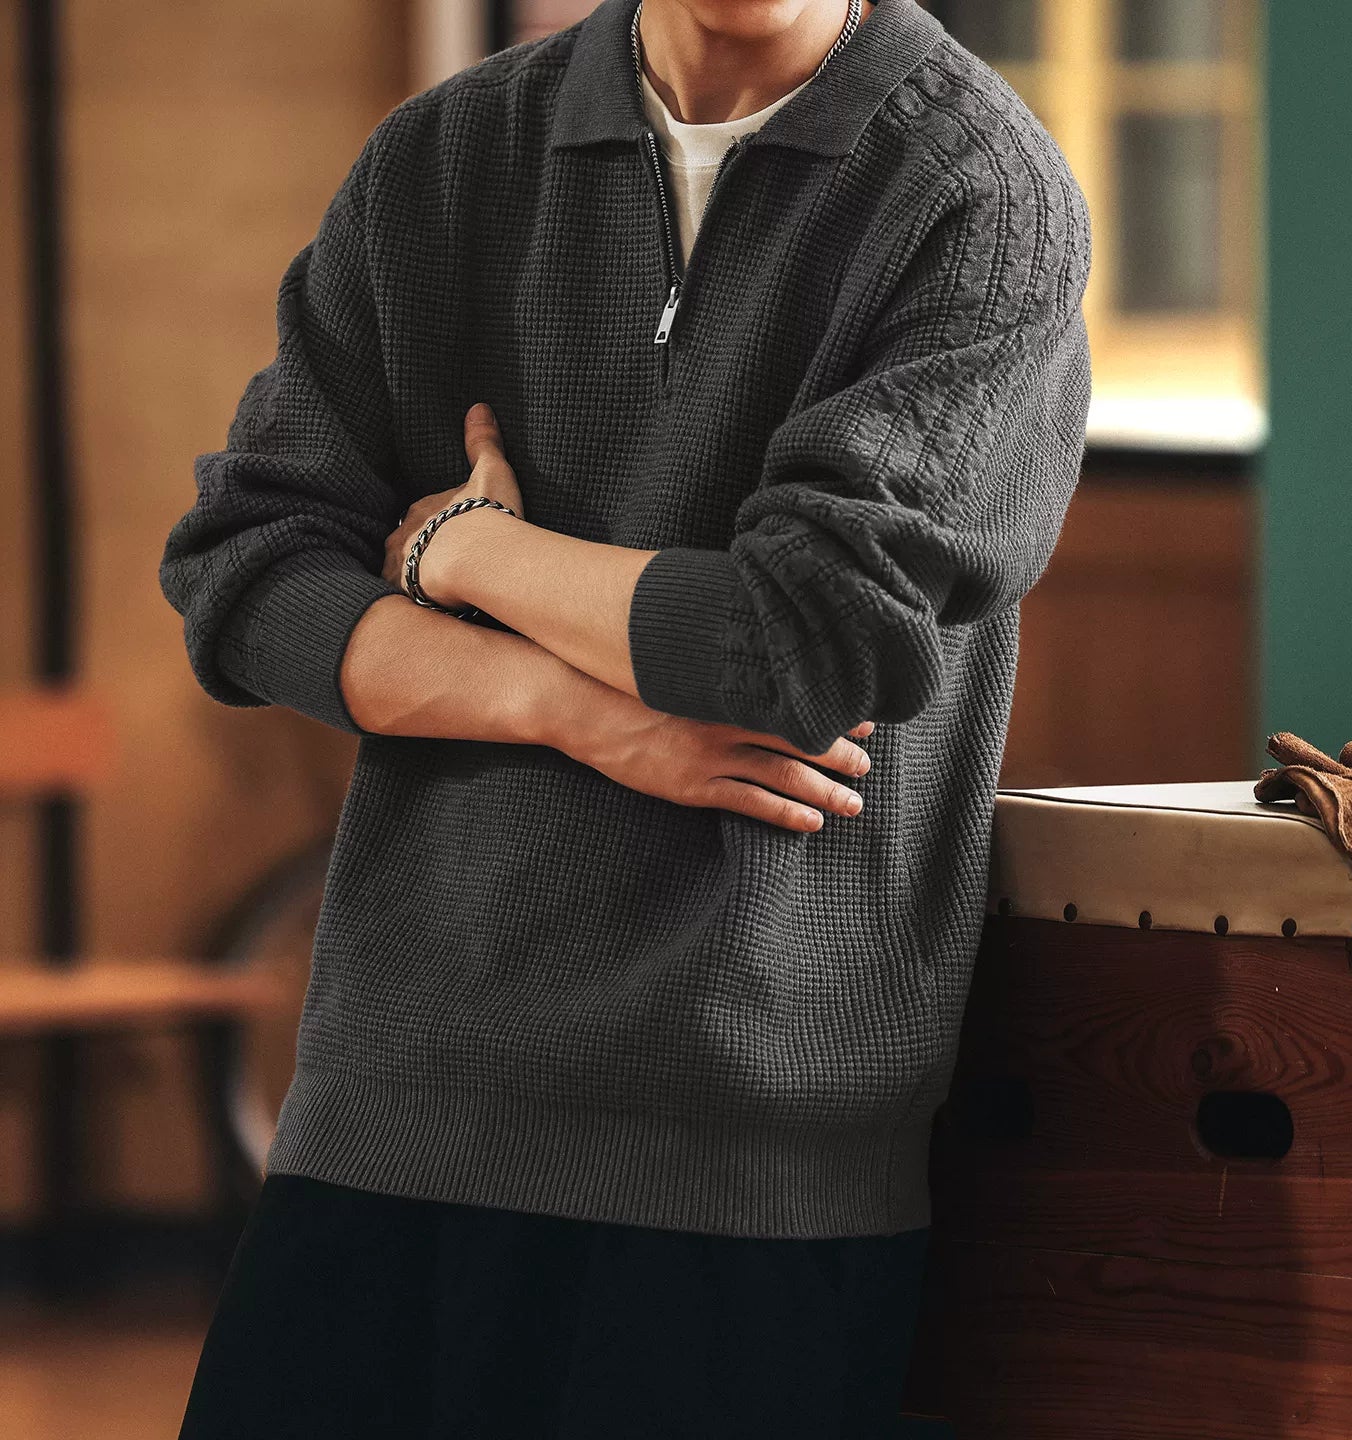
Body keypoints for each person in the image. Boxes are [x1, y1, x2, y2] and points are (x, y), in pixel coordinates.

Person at [159, 0, 1090, 1433]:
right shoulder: (446, 156)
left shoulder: (979, 191)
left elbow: (798, 640)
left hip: (747, 1144)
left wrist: (468, 554)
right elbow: (246, 572)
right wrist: (568, 708)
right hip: (399, 1095)